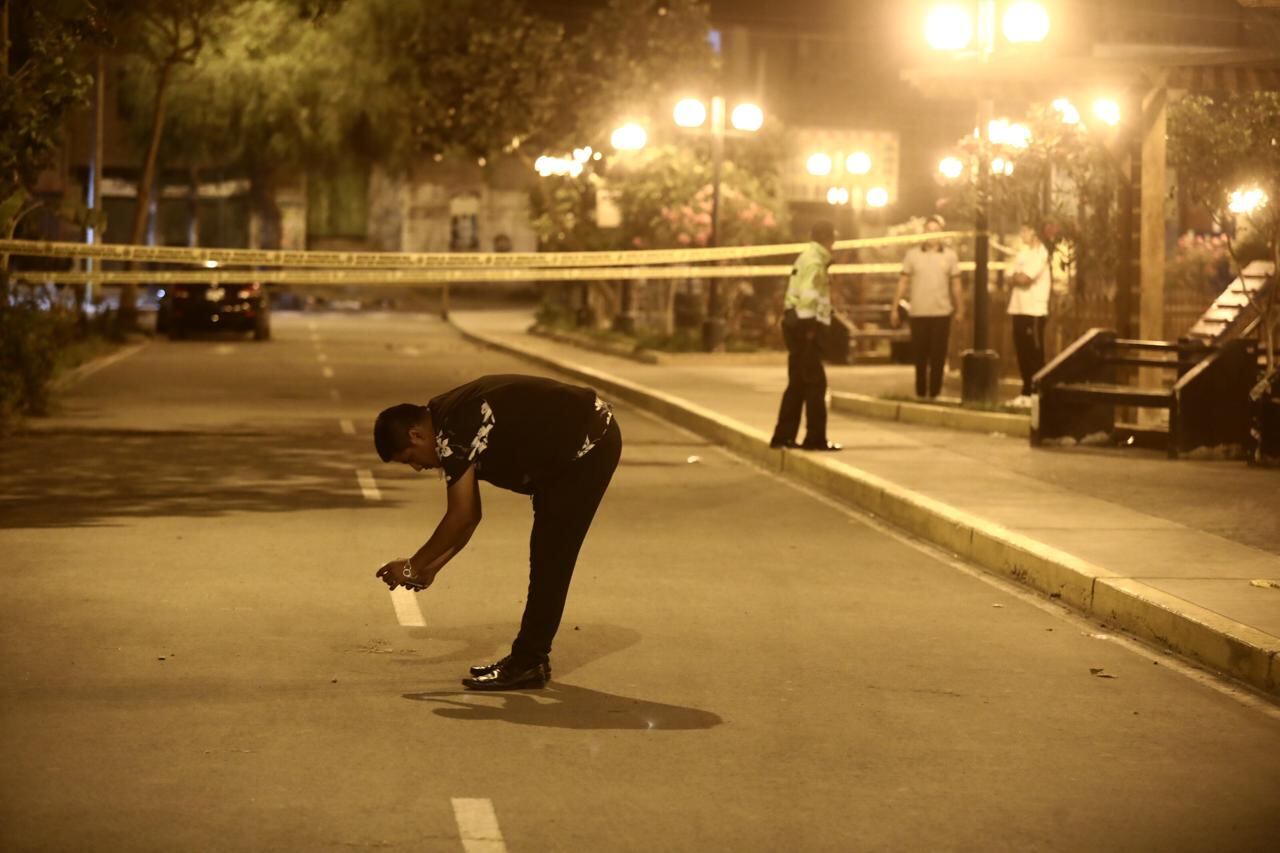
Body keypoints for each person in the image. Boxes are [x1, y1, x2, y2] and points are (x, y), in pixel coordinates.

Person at [373, 374, 621, 691]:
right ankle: (530, 659)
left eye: (410, 459)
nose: (417, 468)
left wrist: (413, 566)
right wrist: (432, 568)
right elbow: (472, 515)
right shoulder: (445, 418)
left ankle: (528, 662)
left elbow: (460, 516)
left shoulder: (453, 429)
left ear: (416, 435)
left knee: (551, 559)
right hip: (568, 453)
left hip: (589, 446)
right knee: (547, 556)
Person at [769, 220, 842, 452]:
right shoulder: (816, 262)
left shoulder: (805, 256)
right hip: (807, 328)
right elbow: (809, 297)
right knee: (816, 384)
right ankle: (815, 439)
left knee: (798, 384)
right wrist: (810, 330)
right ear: (829, 239)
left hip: (796, 325)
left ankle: (783, 436)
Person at [891, 216, 962, 399]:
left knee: (938, 356)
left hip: (941, 312)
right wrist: (894, 307)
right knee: (920, 356)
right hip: (919, 313)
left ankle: (935, 393)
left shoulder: (950, 256)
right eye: (929, 230)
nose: (932, 235)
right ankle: (921, 392)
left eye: (936, 230)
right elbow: (903, 282)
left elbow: (956, 284)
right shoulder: (912, 255)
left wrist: (960, 307)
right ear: (924, 233)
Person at [1006, 222, 1051, 406]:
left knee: (1034, 354)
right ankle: (1025, 392)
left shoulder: (1041, 253)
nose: (1022, 234)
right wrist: (1016, 277)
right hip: (1018, 308)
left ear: (1034, 231)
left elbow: (1025, 278)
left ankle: (1036, 394)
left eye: (1025, 230)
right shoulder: (1022, 253)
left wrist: (1017, 276)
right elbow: (1010, 277)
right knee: (1022, 352)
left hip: (1033, 310)